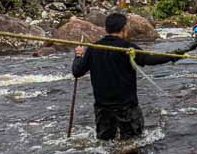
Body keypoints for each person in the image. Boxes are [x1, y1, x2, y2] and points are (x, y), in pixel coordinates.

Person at [72, 13, 178, 141]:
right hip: (127, 108)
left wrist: (78, 56)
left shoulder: (93, 48)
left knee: (105, 145)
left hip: (102, 108)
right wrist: (173, 55)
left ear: (107, 29)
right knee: (134, 143)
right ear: (124, 29)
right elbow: (150, 59)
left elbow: (77, 71)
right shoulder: (128, 48)